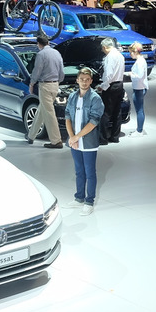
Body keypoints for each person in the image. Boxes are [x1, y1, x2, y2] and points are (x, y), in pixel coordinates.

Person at [65, 66, 105, 216]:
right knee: (79, 171)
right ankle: (79, 198)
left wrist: (77, 137)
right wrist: (72, 137)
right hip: (74, 141)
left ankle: (89, 202)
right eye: (81, 79)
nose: (84, 82)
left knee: (90, 173)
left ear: (91, 81)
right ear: (77, 80)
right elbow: (67, 117)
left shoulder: (95, 99)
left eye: (87, 79)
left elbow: (94, 121)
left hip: (88, 142)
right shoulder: (72, 97)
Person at [25, 34, 65, 148]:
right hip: (55, 85)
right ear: (48, 42)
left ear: (39, 44)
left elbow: (37, 71)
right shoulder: (56, 53)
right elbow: (61, 70)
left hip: (45, 86)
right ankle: (31, 136)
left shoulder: (41, 54)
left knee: (49, 113)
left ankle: (56, 141)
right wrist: (58, 82)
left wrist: (32, 83)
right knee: (42, 110)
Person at [99, 38, 125, 144]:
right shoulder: (120, 55)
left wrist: (102, 86)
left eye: (102, 49)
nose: (102, 51)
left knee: (106, 112)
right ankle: (115, 137)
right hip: (119, 84)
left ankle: (103, 139)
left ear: (105, 47)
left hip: (111, 86)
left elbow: (109, 75)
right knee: (117, 112)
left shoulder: (110, 57)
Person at [128, 42, 148, 135]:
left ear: (135, 52)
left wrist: (130, 74)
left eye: (130, 52)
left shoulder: (140, 62)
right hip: (139, 87)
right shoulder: (141, 60)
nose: (130, 54)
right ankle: (139, 129)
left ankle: (139, 130)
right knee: (139, 109)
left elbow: (139, 76)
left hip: (139, 88)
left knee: (139, 110)